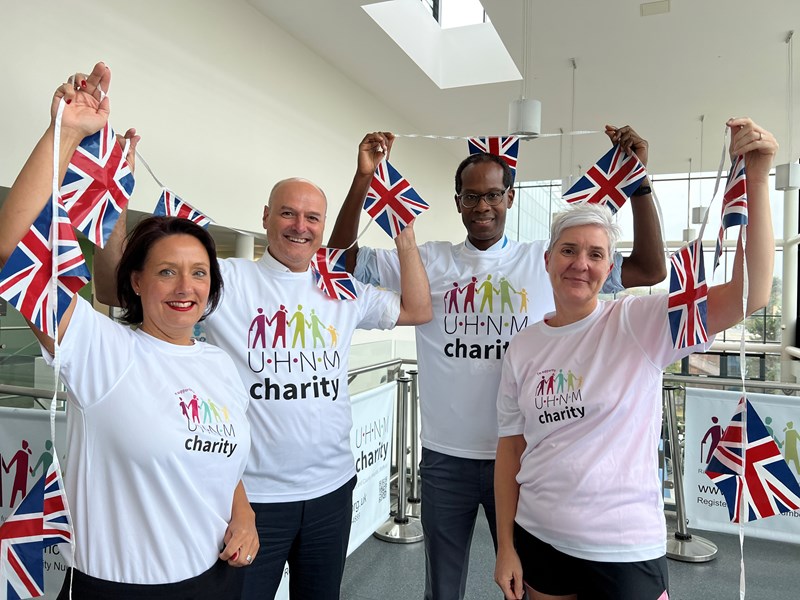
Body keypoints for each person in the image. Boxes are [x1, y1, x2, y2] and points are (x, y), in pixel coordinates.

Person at [327, 128, 667, 600]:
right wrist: (364, 179)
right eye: (471, 196)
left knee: (525, 586)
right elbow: (336, 262)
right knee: (442, 590)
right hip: (447, 458)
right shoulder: (430, 260)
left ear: (509, 197)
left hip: (525, 460)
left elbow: (651, 270)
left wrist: (641, 183)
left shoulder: (546, 261)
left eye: (493, 195)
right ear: (458, 201)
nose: (482, 206)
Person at [95, 136, 432, 600]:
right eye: (288, 213)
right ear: (266, 217)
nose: (300, 226)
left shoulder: (341, 289)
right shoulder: (228, 279)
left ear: (322, 226)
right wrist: (116, 196)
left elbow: (418, 309)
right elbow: (115, 290)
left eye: (312, 217)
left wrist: (405, 233)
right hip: (250, 500)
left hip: (330, 490)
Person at [0, 62, 258, 599]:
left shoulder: (220, 366)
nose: (184, 285)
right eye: (167, 270)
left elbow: (219, 461)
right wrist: (65, 133)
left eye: (199, 272)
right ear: (135, 282)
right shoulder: (106, 352)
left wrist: (245, 515)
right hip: (122, 587)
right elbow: (13, 250)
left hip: (216, 577)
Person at [493, 118, 776, 600]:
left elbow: (750, 294)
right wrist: (505, 546)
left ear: (610, 268)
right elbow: (510, 451)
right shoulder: (523, 346)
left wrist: (758, 175)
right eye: (568, 250)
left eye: (596, 254)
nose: (580, 262)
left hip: (623, 550)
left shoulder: (636, 322)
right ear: (548, 260)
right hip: (539, 538)